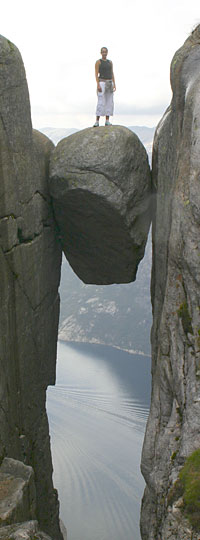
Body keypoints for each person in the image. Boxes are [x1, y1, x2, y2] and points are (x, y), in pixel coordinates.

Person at [93, 47, 116, 127]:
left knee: (109, 102)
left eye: (105, 52)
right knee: (101, 102)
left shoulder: (110, 62)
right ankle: (97, 121)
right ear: (101, 53)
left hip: (109, 82)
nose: (104, 53)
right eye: (103, 52)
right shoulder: (98, 62)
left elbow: (112, 73)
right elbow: (96, 74)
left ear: (107, 53)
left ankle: (107, 120)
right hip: (102, 82)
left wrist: (114, 83)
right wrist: (98, 84)